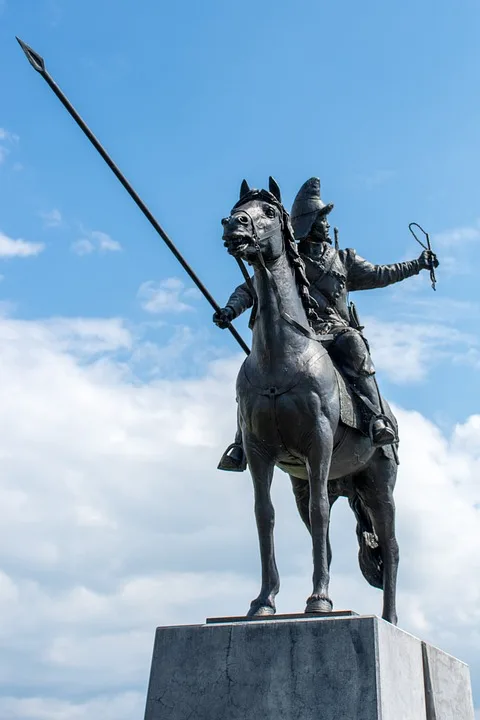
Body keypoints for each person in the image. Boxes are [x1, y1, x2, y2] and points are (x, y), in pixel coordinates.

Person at [214, 177, 439, 471]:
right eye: (321, 218)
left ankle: (375, 418)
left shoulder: (344, 259)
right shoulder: (288, 260)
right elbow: (250, 288)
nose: (325, 223)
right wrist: (230, 310)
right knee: (259, 365)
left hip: (337, 332)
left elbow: (382, 274)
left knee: (354, 345)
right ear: (309, 224)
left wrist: (418, 264)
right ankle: (243, 439)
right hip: (299, 333)